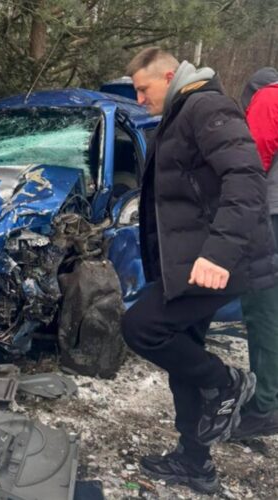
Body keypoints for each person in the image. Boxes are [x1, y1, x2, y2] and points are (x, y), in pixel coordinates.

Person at [121, 47, 278, 494]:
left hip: (217, 264)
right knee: (183, 354)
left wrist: (218, 255)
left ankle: (226, 381)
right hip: (190, 263)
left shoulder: (207, 106)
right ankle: (195, 461)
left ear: (169, 75)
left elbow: (246, 180)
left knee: (141, 326)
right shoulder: (180, 112)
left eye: (143, 89)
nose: (139, 99)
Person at [233, 67, 278, 439]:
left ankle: (264, 406)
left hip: (271, 216)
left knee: (263, 308)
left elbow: (250, 164)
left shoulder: (269, 97)